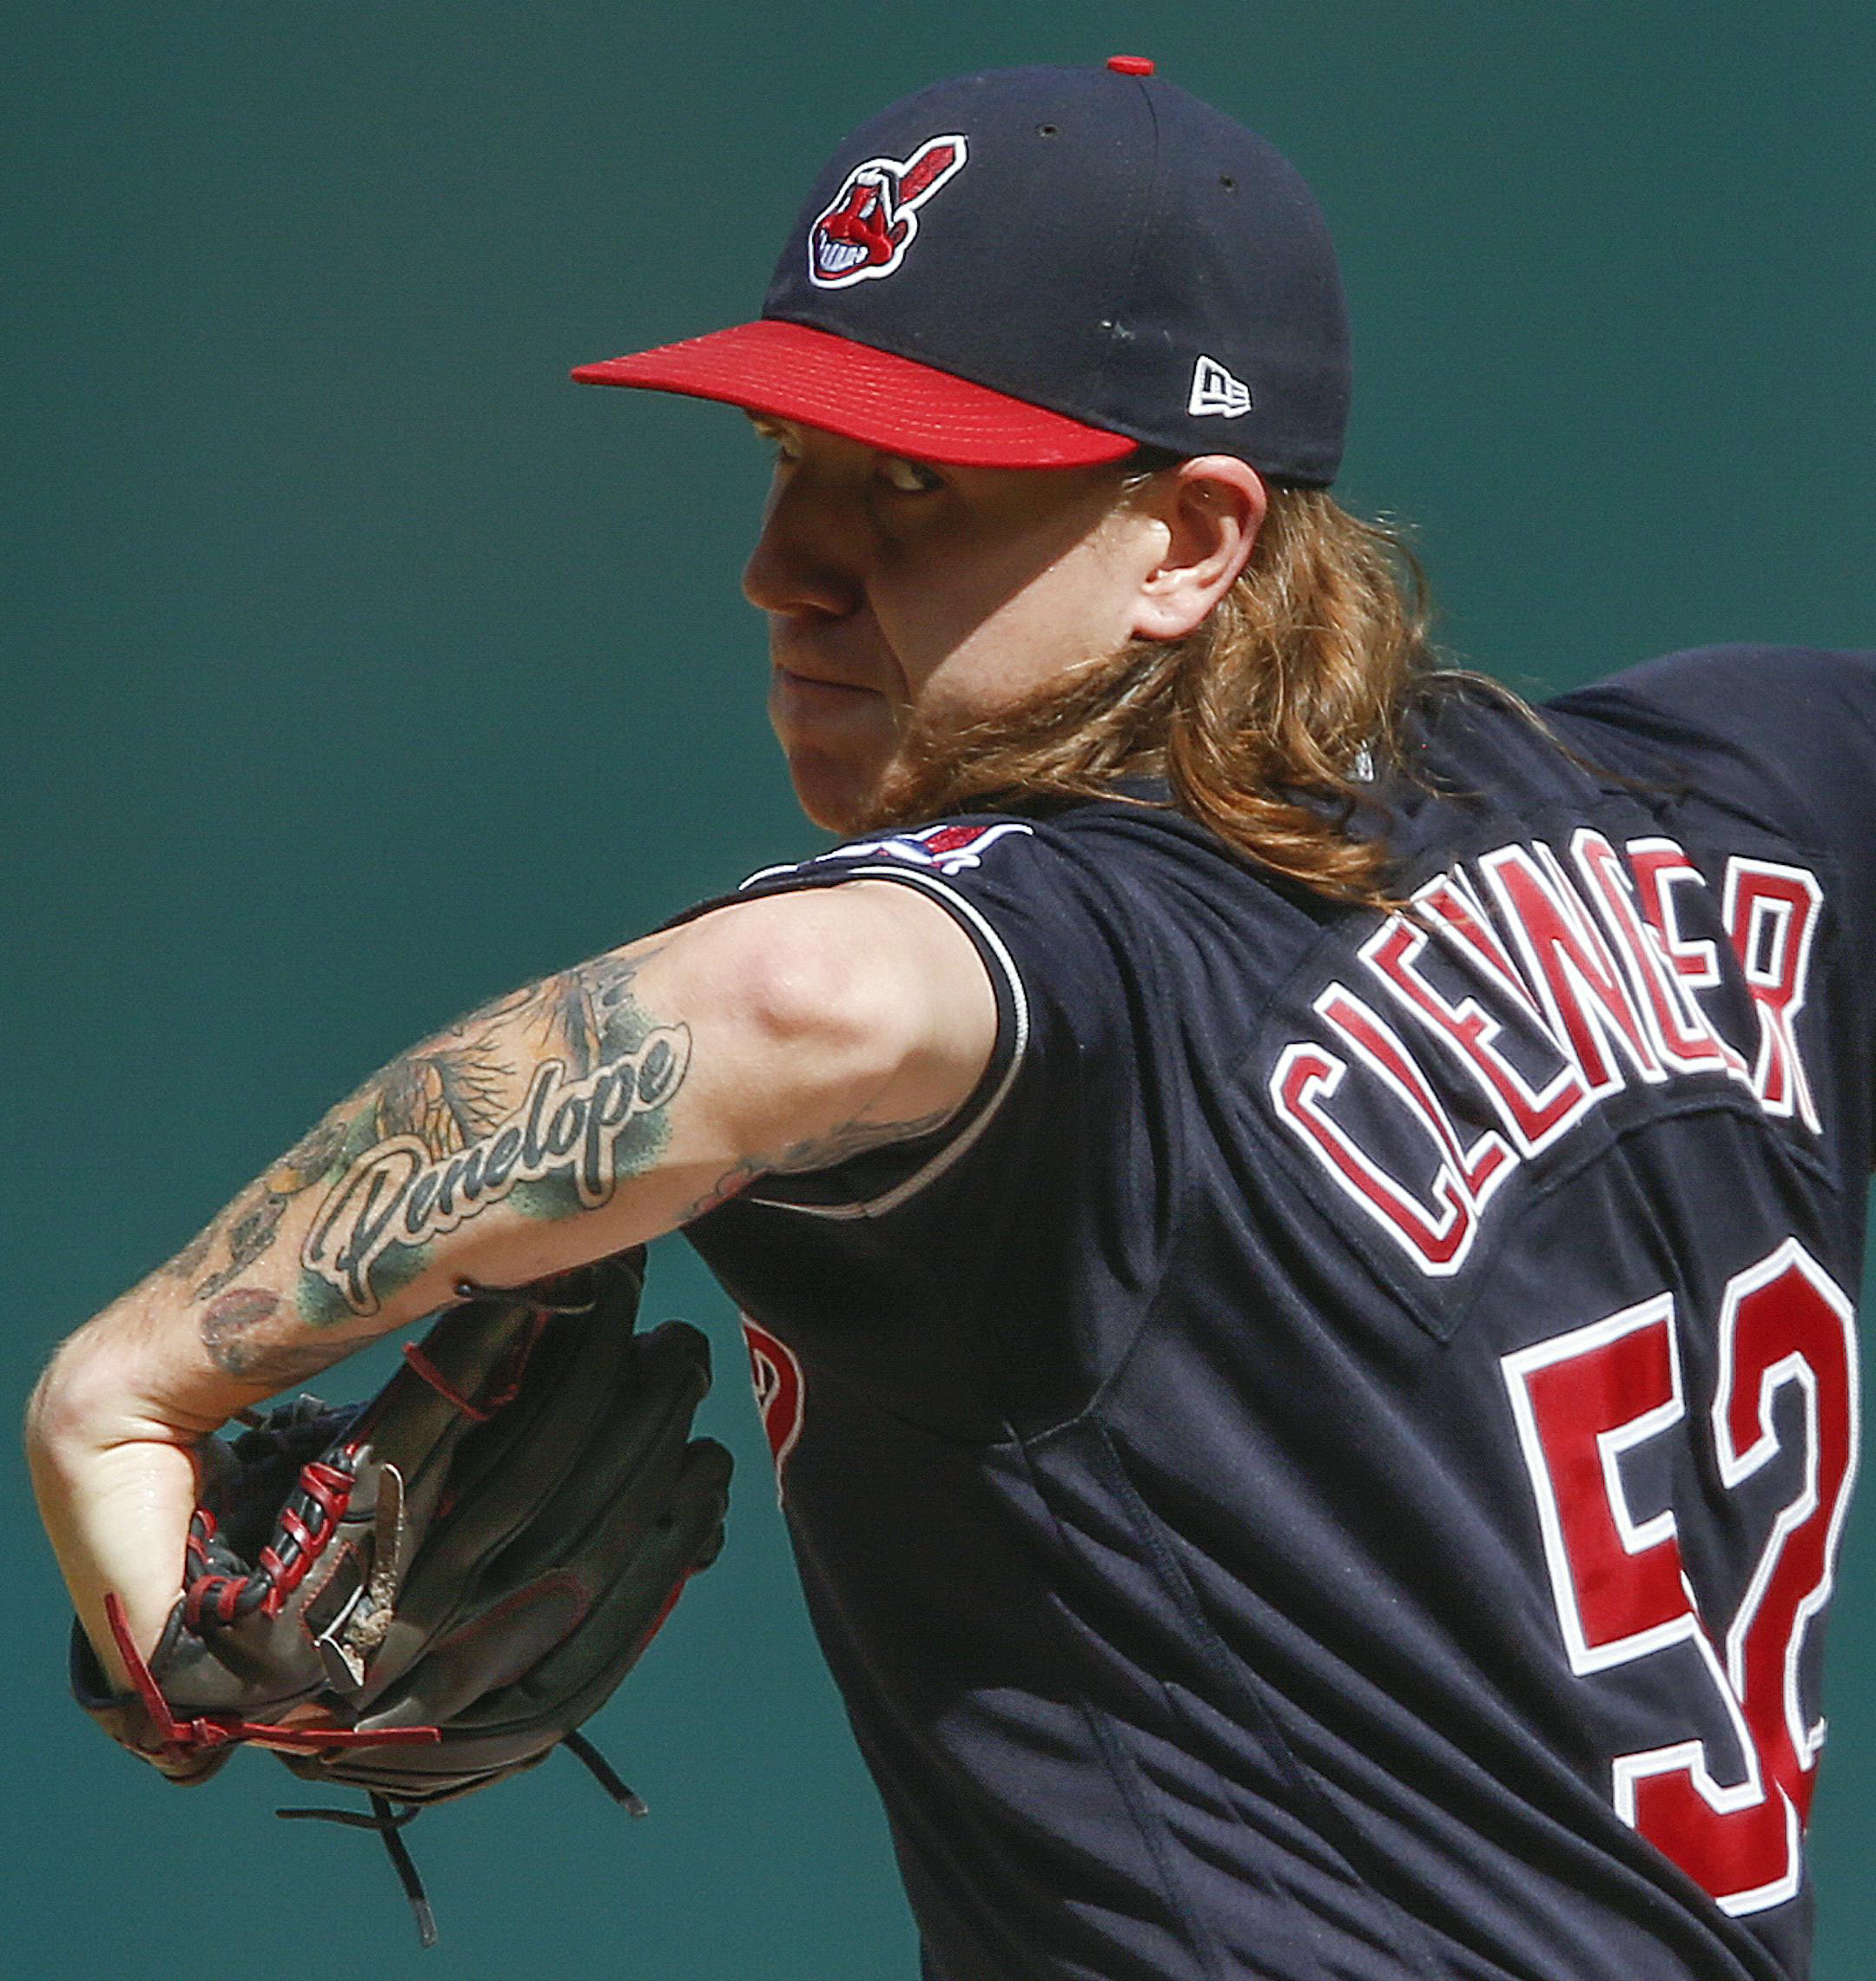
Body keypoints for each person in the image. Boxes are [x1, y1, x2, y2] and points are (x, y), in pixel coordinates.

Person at [26, 55, 1876, 1981]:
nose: (784, 573)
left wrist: (133, 1380)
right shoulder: (1725, 806)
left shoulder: (1090, 944)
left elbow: (799, 990)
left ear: (1191, 538)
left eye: (911, 485)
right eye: (786, 463)